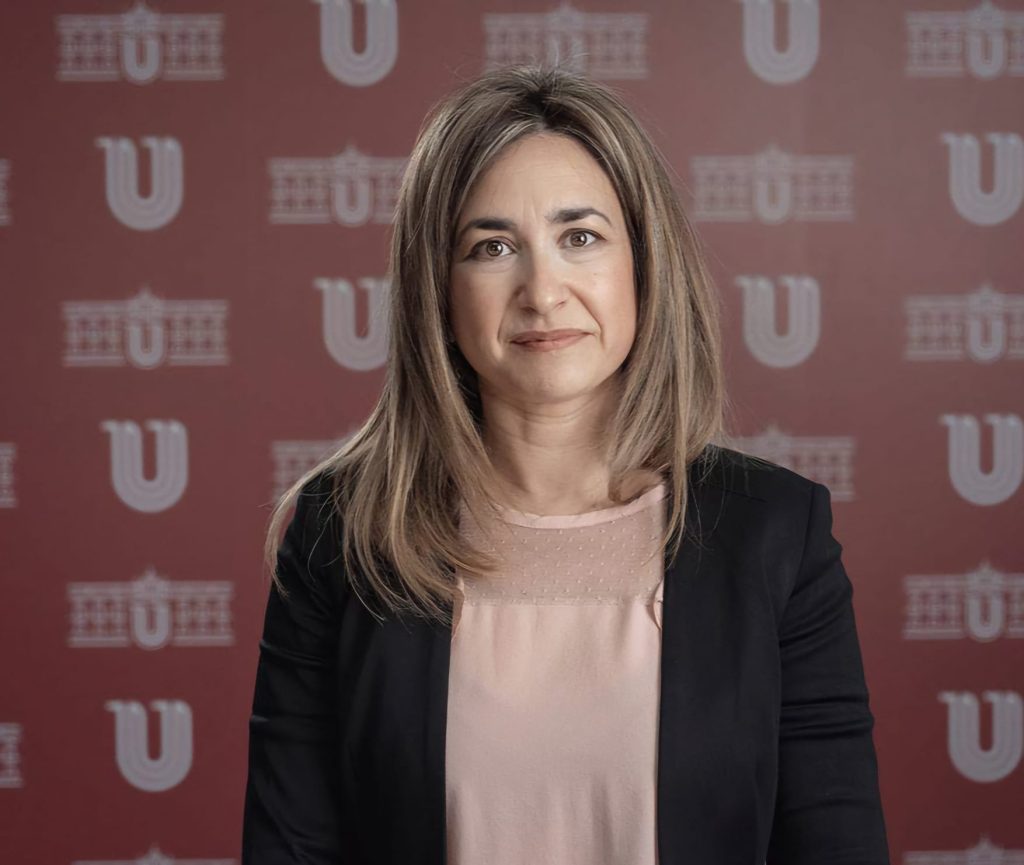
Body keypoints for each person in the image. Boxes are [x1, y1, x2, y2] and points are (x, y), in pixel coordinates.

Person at [241, 64, 890, 864]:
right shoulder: (342, 536)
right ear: (436, 291)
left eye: (579, 237)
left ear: (644, 264)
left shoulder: (778, 534)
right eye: (492, 247)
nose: (542, 291)